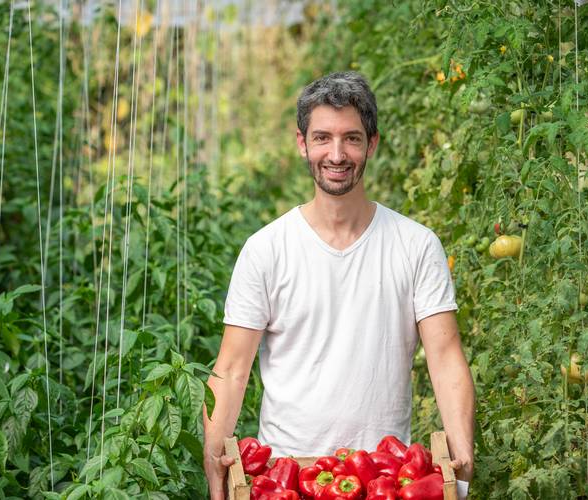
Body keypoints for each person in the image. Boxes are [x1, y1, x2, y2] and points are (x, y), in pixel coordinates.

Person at [201, 71, 475, 499]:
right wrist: (214, 465)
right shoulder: (267, 249)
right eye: (323, 137)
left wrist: (462, 457)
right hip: (285, 479)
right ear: (302, 143)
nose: (337, 153)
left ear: (372, 143)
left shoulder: (417, 246)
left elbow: (445, 357)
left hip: (384, 479)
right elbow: (232, 370)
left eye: (351, 138)